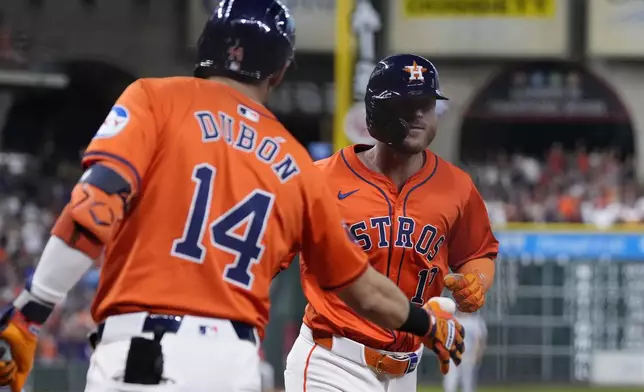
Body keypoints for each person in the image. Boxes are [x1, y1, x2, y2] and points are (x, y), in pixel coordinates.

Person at [0, 3, 464, 392]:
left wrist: (30, 313)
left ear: (207, 48)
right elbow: (362, 288)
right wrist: (427, 324)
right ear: (279, 72)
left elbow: (97, 204)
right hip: (235, 365)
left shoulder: (155, 99)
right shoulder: (297, 161)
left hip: (144, 351)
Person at [284, 54, 498, 392]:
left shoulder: (457, 187)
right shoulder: (320, 179)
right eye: (406, 104)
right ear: (375, 111)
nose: (417, 114)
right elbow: (264, 252)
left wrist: (477, 281)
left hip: (404, 373)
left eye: (426, 105)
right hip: (333, 359)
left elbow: (479, 253)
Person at [443, 311, 488, 392]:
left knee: (468, 383)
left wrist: (477, 355)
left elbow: (478, 341)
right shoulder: (452, 320)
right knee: (450, 381)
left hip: (468, 355)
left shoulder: (475, 321)